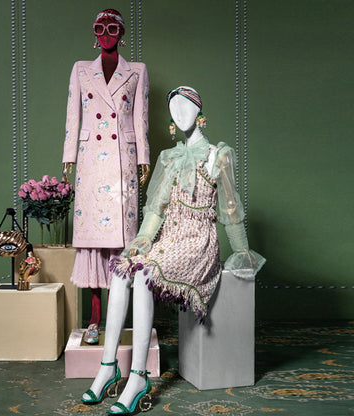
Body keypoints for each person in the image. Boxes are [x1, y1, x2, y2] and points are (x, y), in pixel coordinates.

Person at [82, 86, 265, 414]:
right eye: (173, 109)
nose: (179, 114)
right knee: (123, 269)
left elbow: (230, 209)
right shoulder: (170, 158)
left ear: (200, 112)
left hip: (197, 242)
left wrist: (242, 251)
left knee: (143, 275)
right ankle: (108, 367)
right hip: (167, 239)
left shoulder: (218, 155)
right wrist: (142, 240)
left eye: (186, 106)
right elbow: (157, 209)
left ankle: (138, 378)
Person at [62, 9, 150, 344]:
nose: (105, 34)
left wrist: (144, 158)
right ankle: (95, 318)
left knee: (120, 242)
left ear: (122, 33)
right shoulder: (81, 69)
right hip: (90, 160)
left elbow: (140, 119)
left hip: (122, 159)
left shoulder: (137, 71)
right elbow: (73, 115)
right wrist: (69, 156)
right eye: (100, 28)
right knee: (94, 243)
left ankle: (117, 317)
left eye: (112, 28)